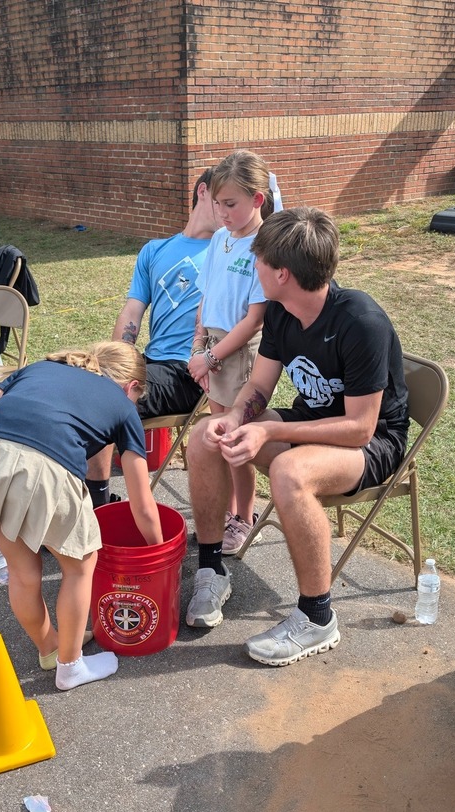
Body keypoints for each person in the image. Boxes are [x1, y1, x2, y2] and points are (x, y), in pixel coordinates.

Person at [184, 207, 409, 667]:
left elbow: (360, 427)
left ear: (281, 273)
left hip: (370, 444)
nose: (253, 268)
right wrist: (239, 418)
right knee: (207, 433)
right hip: (312, 427)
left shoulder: (360, 321)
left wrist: (267, 427)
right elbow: (260, 388)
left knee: (289, 470)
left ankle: (317, 617)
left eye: (258, 261)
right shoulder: (283, 314)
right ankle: (211, 568)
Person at [0, 342, 164, 691]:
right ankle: (71, 667)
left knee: (23, 571)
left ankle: (50, 648)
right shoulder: (123, 405)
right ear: (131, 386)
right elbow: (142, 503)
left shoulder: (39, 367)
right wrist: (158, 557)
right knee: (80, 564)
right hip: (49, 463)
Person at [84, 168, 219, 509]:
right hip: (149, 363)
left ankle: (95, 506)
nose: (234, 210)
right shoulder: (154, 250)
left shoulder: (229, 254)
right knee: (79, 382)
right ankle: (62, 497)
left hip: (188, 371)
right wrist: (115, 359)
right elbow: (131, 313)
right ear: (203, 192)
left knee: (102, 399)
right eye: (226, 199)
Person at [186, 149, 271, 554]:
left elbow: (254, 319)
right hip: (214, 347)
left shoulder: (264, 246)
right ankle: (222, 511)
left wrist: (213, 356)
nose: (222, 212)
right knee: (215, 434)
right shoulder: (220, 238)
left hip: (239, 350)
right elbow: (206, 297)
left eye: (231, 204)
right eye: (218, 203)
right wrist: (198, 347)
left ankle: (245, 517)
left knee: (235, 440)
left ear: (258, 199)